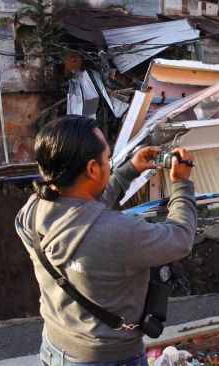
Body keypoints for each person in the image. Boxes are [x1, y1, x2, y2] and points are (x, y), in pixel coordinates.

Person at [15, 115, 197, 365]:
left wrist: (128, 172)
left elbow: (82, 210)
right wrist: (182, 184)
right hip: (109, 358)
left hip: (54, 346)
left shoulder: (31, 211)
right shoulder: (121, 233)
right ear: (92, 169)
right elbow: (181, 237)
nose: (110, 165)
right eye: (108, 159)